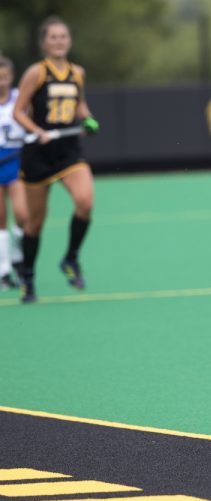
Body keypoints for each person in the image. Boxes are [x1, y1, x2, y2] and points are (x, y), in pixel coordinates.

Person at [13, 16, 100, 304]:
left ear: (69, 41)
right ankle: (27, 275)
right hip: (39, 155)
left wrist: (87, 119)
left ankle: (71, 258)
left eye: (63, 36)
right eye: (53, 37)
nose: (59, 41)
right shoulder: (36, 73)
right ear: (44, 43)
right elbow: (18, 111)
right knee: (35, 223)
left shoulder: (78, 73)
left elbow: (80, 105)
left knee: (85, 202)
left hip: (69, 151)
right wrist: (38, 131)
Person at [0, 56, 27, 291]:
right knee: (0, 219)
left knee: (21, 214)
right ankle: (4, 270)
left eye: (5, 75)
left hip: (16, 161)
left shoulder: (20, 98)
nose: (1, 79)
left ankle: (18, 256)